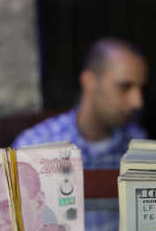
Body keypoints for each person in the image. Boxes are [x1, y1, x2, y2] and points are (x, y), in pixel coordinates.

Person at [12, 38, 148, 169]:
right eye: (124, 87)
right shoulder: (34, 147)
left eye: (141, 89)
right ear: (89, 82)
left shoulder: (139, 146)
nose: (137, 102)